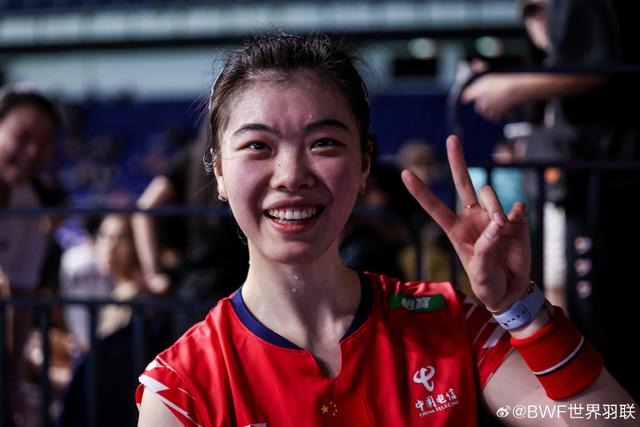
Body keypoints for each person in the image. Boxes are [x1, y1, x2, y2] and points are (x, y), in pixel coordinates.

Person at [135, 34, 636, 426]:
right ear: (220, 173)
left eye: (324, 142)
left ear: (363, 166)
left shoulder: (448, 323)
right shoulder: (181, 387)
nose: (291, 175)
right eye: (258, 147)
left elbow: (612, 420)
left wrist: (520, 309)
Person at [0, 84, 61, 426]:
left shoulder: (29, 207)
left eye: (44, 142)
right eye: (22, 137)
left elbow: (21, 299)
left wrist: (13, 383)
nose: (33, 151)